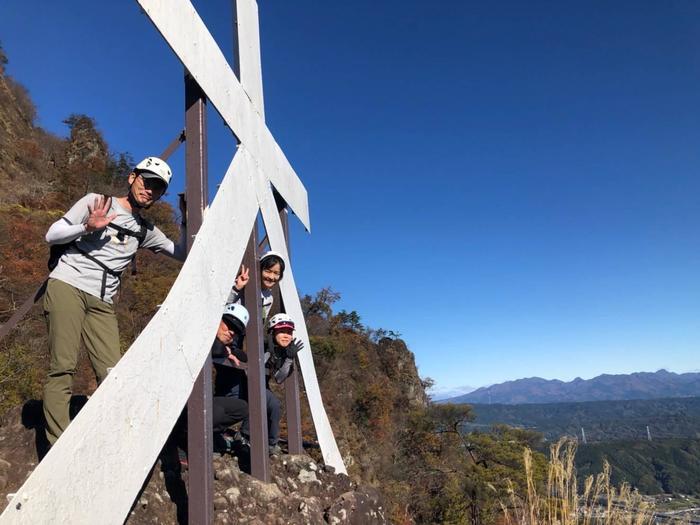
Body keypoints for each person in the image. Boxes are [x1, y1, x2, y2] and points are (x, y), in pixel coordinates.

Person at [42, 156, 187, 445]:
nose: (150, 191)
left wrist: (185, 218)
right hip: (68, 283)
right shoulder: (98, 201)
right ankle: (58, 445)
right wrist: (87, 227)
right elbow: (52, 235)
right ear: (133, 177)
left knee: (113, 375)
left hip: (103, 301)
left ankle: (112, 443)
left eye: (158, 189)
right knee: (63, 366)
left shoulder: (146, 230)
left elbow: (182, 254)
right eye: (147, 182)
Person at [211, 303, 250, 454]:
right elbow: (213, 346)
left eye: (236, 331)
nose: (231, 332)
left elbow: (242, 356)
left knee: (241, 407)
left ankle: (212, 435)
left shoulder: (227, 348)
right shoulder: (201, 333)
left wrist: (227, 351)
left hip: (199, 402)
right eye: (228, 324)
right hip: (177, 404)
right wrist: (224, 351)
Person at [228, 250, 286, 322]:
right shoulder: (243, 283)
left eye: (276, 273)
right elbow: (223, 305)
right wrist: (237, 288)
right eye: (268, 271)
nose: (271, 277)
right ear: (259, 269)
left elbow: (261, 322)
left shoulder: (269, 298)